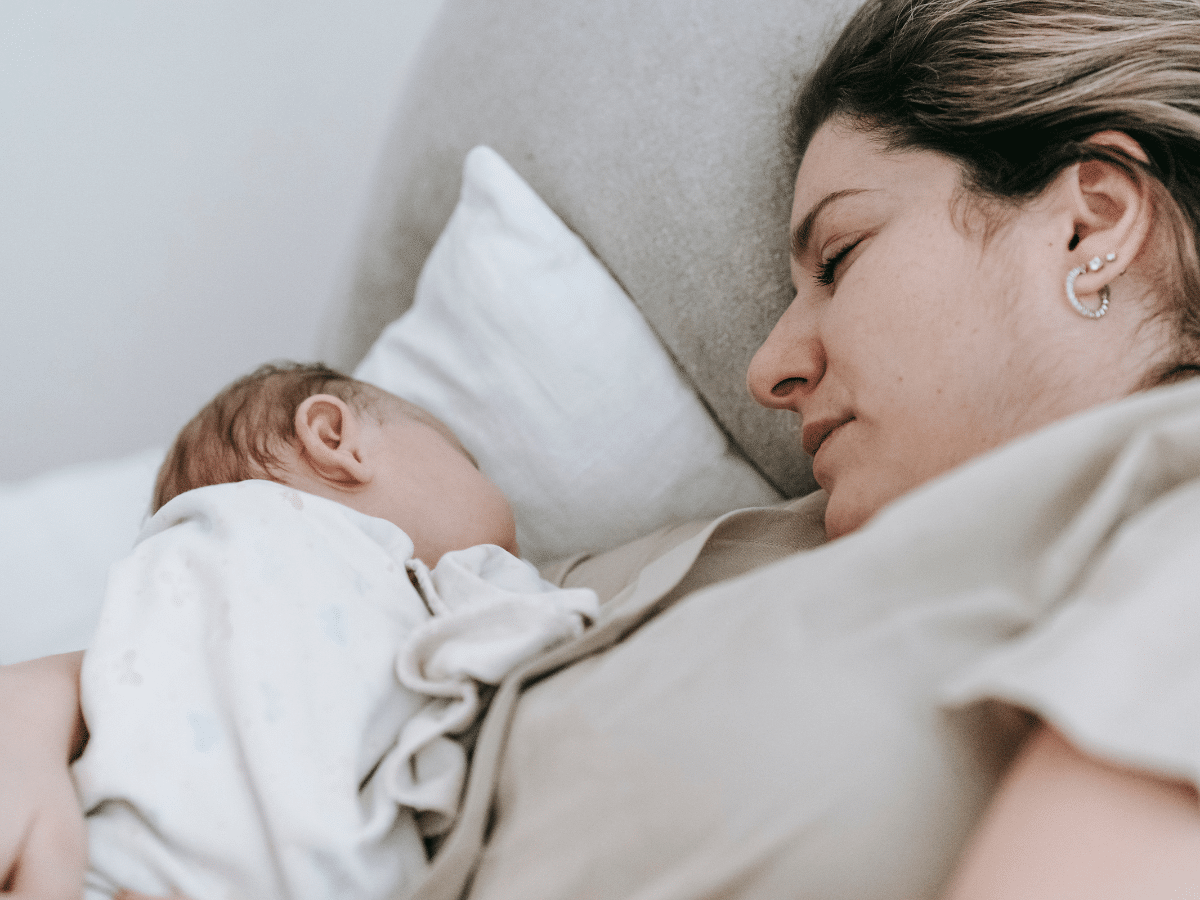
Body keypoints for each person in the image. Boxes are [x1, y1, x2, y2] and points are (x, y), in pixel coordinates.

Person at [5, 0, 1200, 896]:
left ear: (1090, 225)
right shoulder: (708, 558)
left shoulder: (1170, 497)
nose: (769, 368)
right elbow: (315, 627)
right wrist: (41, 698)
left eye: (838, 259)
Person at [66, 362, 598, 900]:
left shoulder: (173, 573)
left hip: (111, 855)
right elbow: (529, 626)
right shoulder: (392, 567)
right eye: (468, 461)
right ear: (334, 438)